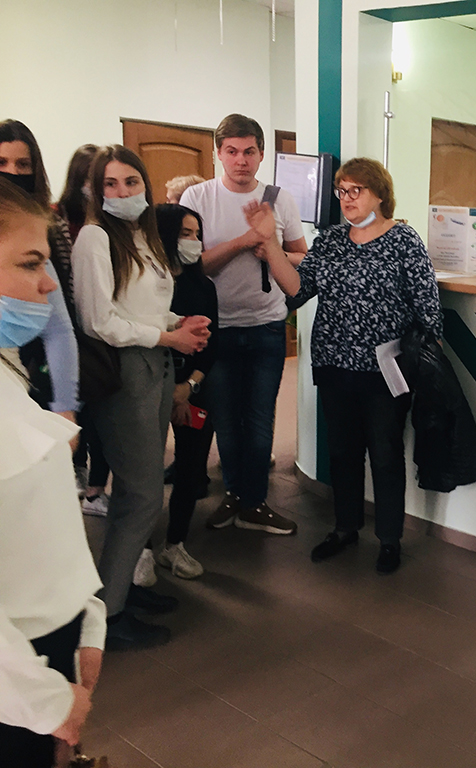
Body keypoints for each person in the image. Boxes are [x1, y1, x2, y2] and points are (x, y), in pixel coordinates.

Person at [254, 157, 443, 574]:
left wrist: (422, 358)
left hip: (385, 371)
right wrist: (269, 245)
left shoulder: (404, 240)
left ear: (380, 194)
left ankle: (389, 538)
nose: (347, 198)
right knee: (342, 452)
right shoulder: (331, 240)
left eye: (356, 190)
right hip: (334, 363)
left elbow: (429, 310)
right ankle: (345, 528)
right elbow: (298, 290)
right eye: (341, 191)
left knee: (385, 453)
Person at [72, 145, 211, 650]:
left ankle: (122, 588)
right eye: (110, 184)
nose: (123, 192)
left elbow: (142, 307)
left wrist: (179, 323)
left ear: (145, 186)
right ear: (96, 190)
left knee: (139, 491)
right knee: (143, 493)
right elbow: (99, 321)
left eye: (131, 182)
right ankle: (107, 616)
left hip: (156, 362)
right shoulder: (94, 237)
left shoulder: (144, 235)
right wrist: (168, 336)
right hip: (126, 371)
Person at [0, 178, 105, 767]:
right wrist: (45, 702)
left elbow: (41, 523)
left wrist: (87, 617)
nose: (47, 283)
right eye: (29, 263)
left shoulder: (9, 370)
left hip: (46, 646)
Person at [179, 114, 306, 536]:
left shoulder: (279, 199)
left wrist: (270, 248)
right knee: (226, 421)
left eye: (249, 151)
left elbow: (302, 259)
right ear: (218, 154)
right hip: (215, 329)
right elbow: (189, 265)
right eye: (231, 151)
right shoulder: (197, 197)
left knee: (259, 418)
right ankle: (235, 494)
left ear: (261, 154)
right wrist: (243, 242)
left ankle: (255, 502)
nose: (241, 160)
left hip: (267, 326)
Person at [143, 203, 218, 581]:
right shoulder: (144, 285)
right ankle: (141, 550)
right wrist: (167, 388)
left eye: (197, 234)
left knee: (190, 469)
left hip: (193, 388)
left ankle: (175, 545)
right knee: (144, 473)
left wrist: (188, 387)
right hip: (149, 386)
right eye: (185, 234)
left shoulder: (203, 286)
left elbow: (213, 344)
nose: (193, 242)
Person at [0, 120, 80, 425]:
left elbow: (58, 326)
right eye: (1, 163)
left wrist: (65, 406)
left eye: (23, 165)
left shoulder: (43, 223)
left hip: (22, 366)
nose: (12, 174)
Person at [57, 144, 112, 506]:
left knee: (100, 413)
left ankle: (96, 488)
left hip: (101, 330)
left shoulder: (109, 223)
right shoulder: (58, 219)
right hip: (67, 325)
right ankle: (76, 472)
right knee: (76, 408)